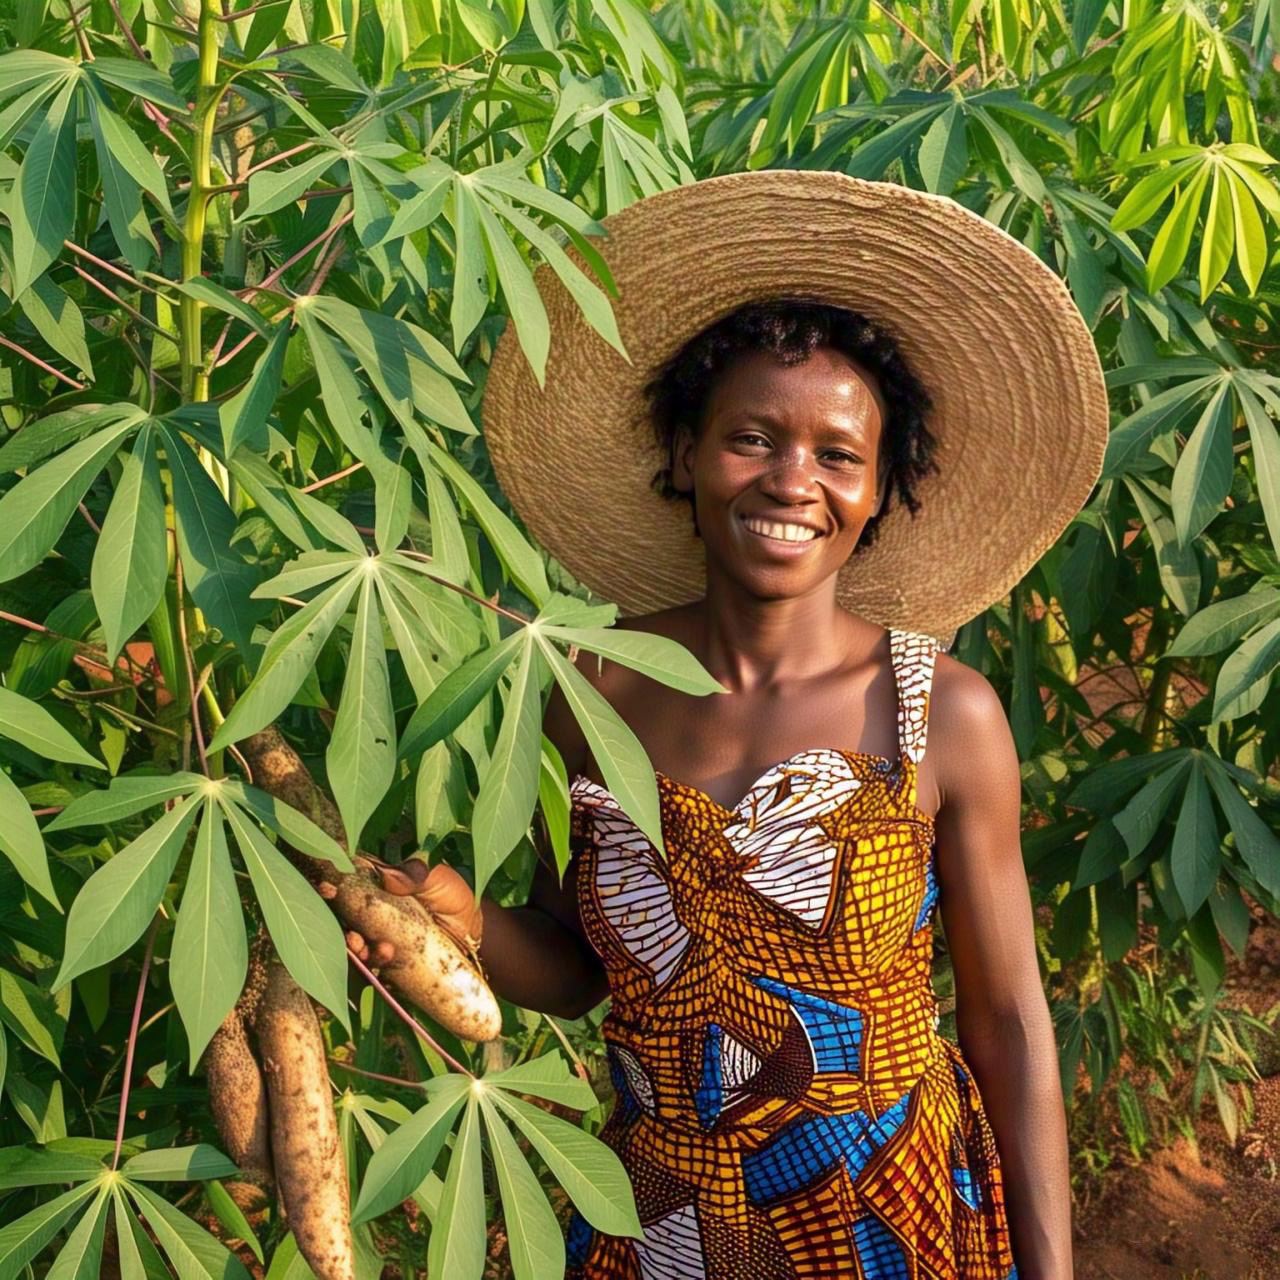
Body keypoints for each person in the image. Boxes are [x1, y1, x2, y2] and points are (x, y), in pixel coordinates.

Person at [350, 172, 1110, 1279]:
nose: (791, 480)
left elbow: (1005, 1021)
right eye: (751, 437)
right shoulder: (590, 688)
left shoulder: (939, 710)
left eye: (837, 455)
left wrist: (1049, 1271)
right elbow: (576, 970)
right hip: (661, 1212)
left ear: (880, 487)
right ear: (682, 457)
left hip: (886, 1207)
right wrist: (459, 923)